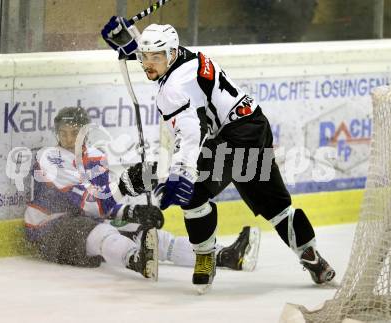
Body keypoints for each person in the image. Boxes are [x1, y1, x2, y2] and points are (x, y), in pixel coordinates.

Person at [101, 18, 335, 292]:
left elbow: (190, 133)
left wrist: (182, 173)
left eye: (155, 57)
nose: (148, 63)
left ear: (171, 54)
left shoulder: (172, 89)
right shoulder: (187, 57)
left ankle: (204, 257)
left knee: (194, 193)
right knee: (277, 207)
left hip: (234, 137)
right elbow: (161, 61)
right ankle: (315, 261)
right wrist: (131, 43)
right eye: (144, 57)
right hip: (254, 125)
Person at [24, 107, 261, 281]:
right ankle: (137, 260)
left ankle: (225, 256)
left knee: (153, 236)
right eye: (63, 133)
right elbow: (91, 205)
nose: (68, 139)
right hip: (48, 230)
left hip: (85, 219)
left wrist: (134, 214)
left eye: (74, 133)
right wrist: (131, 210)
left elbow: (103, 202)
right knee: (102, 230)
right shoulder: (51, 158)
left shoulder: (96, 157)